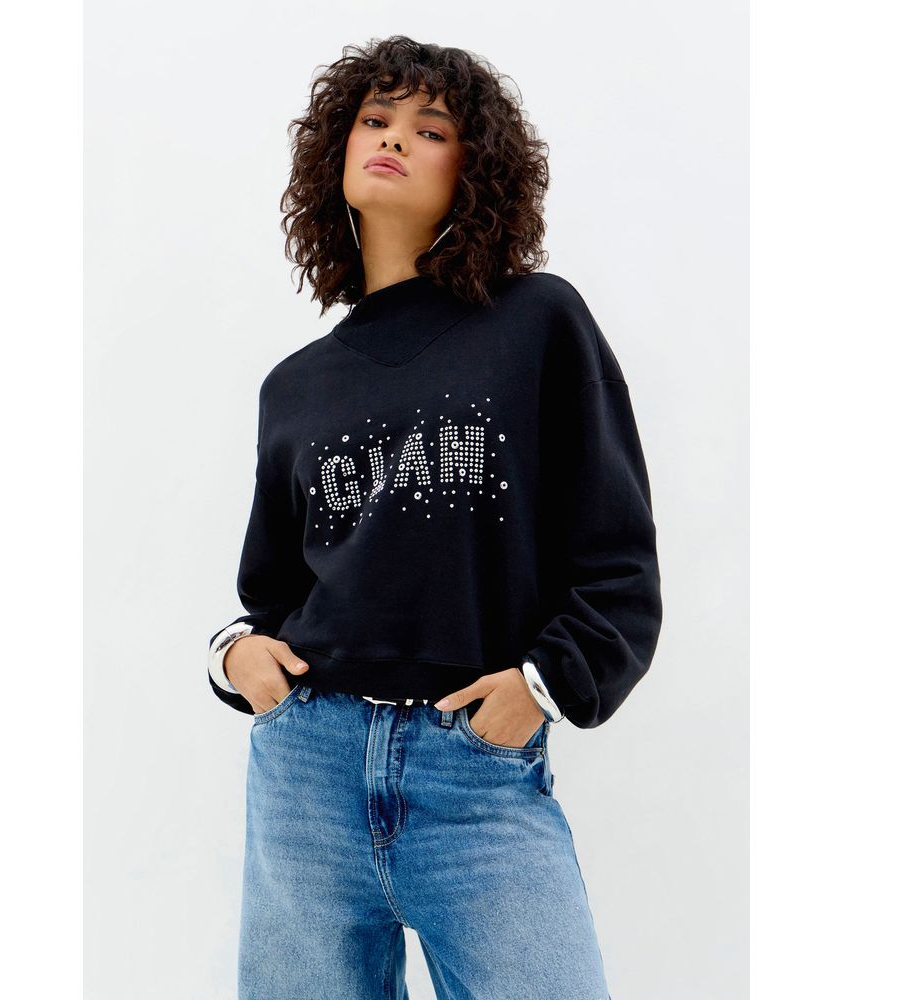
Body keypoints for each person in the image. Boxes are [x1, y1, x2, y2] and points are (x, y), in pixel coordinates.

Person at [207, 36, 662, 1000]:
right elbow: (271, 594)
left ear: (475, 168)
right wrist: (234, 658)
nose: (393, 139)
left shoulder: (538, 322)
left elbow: (618, 562)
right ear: (334, 151)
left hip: (476, 776)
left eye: (430, 128)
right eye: (375, 120)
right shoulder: (296, 385)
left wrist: (541, 688)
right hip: (306, 776)